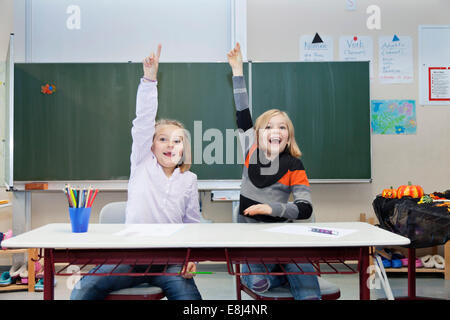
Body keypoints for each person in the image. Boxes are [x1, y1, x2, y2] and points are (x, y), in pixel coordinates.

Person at [71, 45, 202, 300]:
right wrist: (150, 80)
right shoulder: (142, 164)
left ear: (184, 149)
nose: (170, 145)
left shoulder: (189, 180)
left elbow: (192, 224)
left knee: (191, 301)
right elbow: (143, 120)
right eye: (163, 139)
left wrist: (191, 258)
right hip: (130, 256)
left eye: (177, 141)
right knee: (82, 289)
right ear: (150, 145)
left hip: (170, 261)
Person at [227, 43, 321, 300]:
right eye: (268, 127)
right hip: (252, 242)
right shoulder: (250, 151)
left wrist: (273, 209)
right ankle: (270, 274)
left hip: (284, 237)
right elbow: (242, 112)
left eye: (282, 127)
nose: (275, 131)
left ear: (288, 136)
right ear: (257, 134)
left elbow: (305, 208)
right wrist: (237, 71)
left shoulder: (294, 165)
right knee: (259, 283)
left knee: (308, 288)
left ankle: (287, 274)